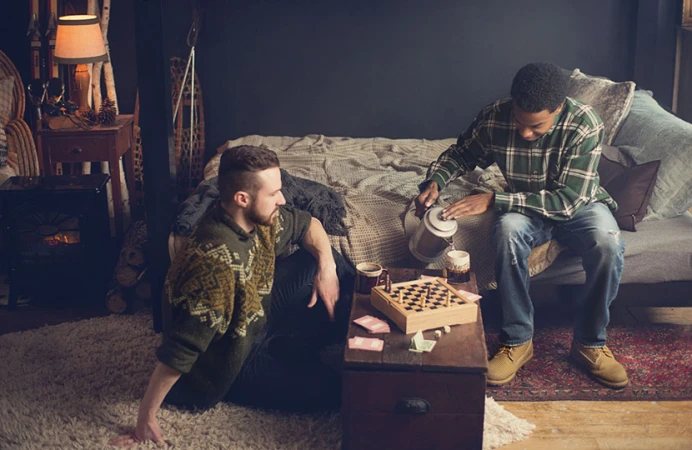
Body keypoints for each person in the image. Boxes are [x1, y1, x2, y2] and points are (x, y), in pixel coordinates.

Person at [110, 145, 355, 446]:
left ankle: (316, 341)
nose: (282, 199)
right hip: (230, 362)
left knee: (331, 263)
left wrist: (326, 269)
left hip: (253, 312)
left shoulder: (259, 217)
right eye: (274, 193)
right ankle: (294, 349)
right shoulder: (214, 265)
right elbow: (181, 350)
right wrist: (145, 418)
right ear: (242, 198)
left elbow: (309, 224)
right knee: (337, 388)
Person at [415, 62, 628, 389]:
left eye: (537, 126)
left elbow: (568, 201)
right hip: (525, 207)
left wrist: (494, 200)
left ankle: (590, 343)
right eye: (520, 123)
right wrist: (437, 180)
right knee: (508, 231)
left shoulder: (585, 124)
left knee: (609, 242)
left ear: (558, 109)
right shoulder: (495, 115)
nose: (526, 133)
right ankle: (517, 340)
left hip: (578, 204)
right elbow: (461, 154)